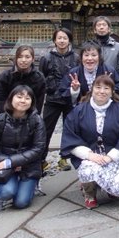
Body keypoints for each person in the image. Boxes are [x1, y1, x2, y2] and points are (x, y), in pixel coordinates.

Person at [60, 75, 119, 209]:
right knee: (88, 170)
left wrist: (110, 157)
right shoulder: (79, 110)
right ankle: (89, 193)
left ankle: (108, 187)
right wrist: (89, 155)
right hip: (90, 157)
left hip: (113, 156)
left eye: (106, 88)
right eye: (98, 87)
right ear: (92, 89)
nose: (102, 91)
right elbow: (70, 136)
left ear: (112, 92)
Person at [0, 85, 46, 213]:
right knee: (7, 192)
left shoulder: (37, 121)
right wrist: (8, 162)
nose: (23, 101)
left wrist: (12, 162)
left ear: (32, 102)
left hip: (29, 166)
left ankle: (32, 184)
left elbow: (38, 149)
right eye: (19, 97)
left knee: (21, 202)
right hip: (6, 166)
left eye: (27, 98)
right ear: (11, 99)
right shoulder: (0, 120)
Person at [38, 28, 79, 172]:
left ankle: (64, 157)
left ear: (69, 40)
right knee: (45, 129)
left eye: (65, 38)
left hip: (70, 99)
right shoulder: (46, 57)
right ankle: (41, 159)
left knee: (69, 130)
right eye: (59, 38)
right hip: (52, 99)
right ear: (54, 40)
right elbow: (41, 78)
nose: (62, 41)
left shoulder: (76, 57)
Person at [59, 41, 119, 105]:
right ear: (81, 57)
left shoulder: (109, 71)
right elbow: (62, 93)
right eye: (86, 55)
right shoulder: (73, 73)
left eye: (94, 55)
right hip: (81, 108)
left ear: (99, 57)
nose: (89, 58)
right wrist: (74, 90)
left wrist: (108, 87)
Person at [0, 45, 46, 114]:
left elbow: (38, 102)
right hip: (8, 114)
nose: (23, 60)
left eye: (27, 57)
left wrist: (32, 116)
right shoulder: (5, 76)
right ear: (16, 58)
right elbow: (1, 99)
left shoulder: (39, 78)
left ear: (33, 59)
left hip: (30, 115)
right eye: (20, 57)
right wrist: (8, 115)